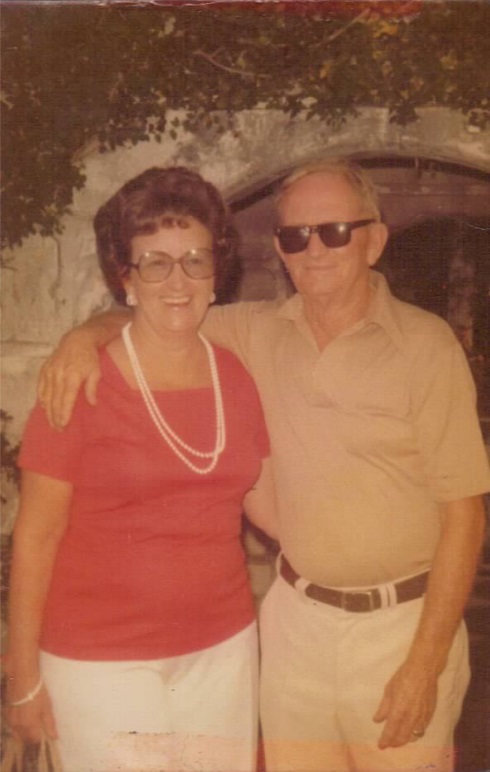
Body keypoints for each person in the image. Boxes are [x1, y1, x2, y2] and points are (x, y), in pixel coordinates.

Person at [35, 158, 490, 772]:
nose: (314, 250)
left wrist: (426, 661)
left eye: (334, 231)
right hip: (295, 629)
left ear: (375, 240)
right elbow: (163, 306)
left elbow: (465, 515)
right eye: (296, 236)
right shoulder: (255, 330)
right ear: (279, 249)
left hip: (400, 629)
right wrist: (83, 336)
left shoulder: (426, 346)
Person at [4, 166, 277, 772]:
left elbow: (264, 503)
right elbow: (35, 536)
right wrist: (21, 677)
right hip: (101, 659)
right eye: (155, 263)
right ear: (125, 277)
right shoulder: (79, 382)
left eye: (195, 260)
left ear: (216, 272)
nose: (177, 281)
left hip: (224, 647)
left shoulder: (234, 377)